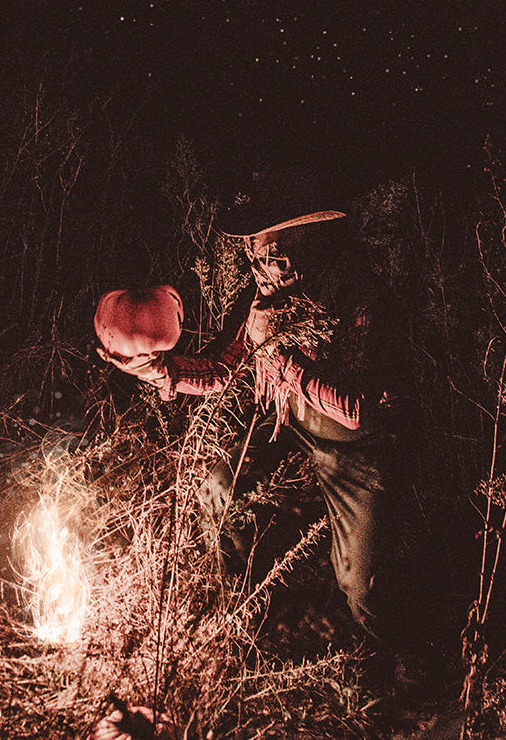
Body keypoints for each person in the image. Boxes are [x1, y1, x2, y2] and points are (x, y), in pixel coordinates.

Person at [94, 179, 427, 671]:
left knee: (362, 582)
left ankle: (409, 665)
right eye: (251, 253)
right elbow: (224, 367)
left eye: (267, 252)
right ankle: (242, 613)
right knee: (219, 488)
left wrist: (283, 356)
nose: (256, 264)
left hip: (355, 446)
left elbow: (357, 408)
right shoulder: (264, 295)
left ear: (304, 243)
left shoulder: (359, 296)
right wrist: (162, 371)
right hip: (288, 423)